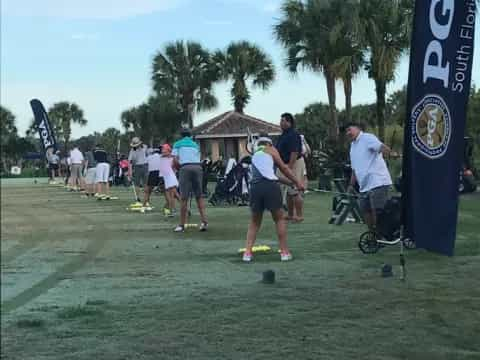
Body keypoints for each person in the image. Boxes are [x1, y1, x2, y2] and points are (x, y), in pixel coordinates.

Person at [242, 136, 305, 262]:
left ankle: (247, 254)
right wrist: (298, 182)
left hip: (255, 187)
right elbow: (284, 168)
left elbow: (272, 175)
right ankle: (284, 253)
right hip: (270, 187)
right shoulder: (271, 150)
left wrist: (291, 183)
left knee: (255, 222)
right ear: (269, 144)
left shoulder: (255, 155)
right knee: (279, 219)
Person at [346, 123, 393, 231]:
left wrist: (391, 153)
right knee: (365, 210)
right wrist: (351, 185)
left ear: (358, 128)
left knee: (377, 210)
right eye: (346, 132)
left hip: (378, 181)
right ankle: (372, 235)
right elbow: (354, 169)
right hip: (364, 186)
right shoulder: (352, 147)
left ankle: (381, 234)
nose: (348, 133)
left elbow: (380, 146)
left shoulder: (367, 138)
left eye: (350, 130)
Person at [172, 128, 208, 232]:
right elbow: (199, 157)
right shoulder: (195, 144)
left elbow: (175, 160)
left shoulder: (177, 144)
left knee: (184, 198)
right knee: (199, 196)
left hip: (185, 168)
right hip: (198, 168)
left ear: (181, 135)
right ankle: (204, 222)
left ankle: (181, 225)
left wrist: (180, 169)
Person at [275, 113, 304, 222]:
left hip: (294, 163)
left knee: (295, 189)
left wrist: (289, 167)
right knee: (288, 191)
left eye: (283, 121)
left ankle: (299, 215)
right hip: (284, 164)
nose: (281, 123)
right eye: (281, 120)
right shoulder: (283, 135)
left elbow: (294, 152)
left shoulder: (293, 135)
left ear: (289, 122)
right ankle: (291, 214)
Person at [159, 143, 179, 216]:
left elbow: (176, 166)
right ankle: (175, 209)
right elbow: (165, 155)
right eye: (162, 149)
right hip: (165, 177)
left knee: (172, 195)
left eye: (163, 149)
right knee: (173, 195)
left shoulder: (172, 157)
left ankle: (172, 210)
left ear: (168, 150)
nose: (162, 150)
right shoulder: (162, 157)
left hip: (170, 177)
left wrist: (172, 155)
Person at [128, 137, 148, 202]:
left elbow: (146, 151)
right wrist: (130, 171)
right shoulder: (132, 151)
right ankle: (138, 198)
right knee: (137, 183)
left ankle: (146, 199)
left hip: (145, 166)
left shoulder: (144, 147)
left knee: (145, 184)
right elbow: (130, 162)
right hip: (137, 167)